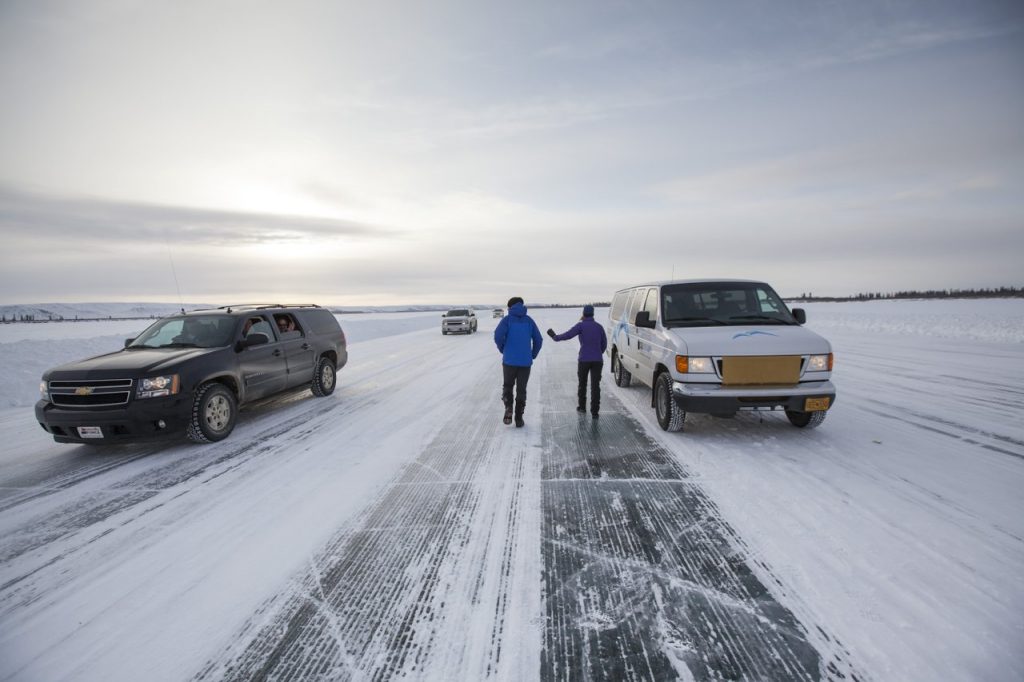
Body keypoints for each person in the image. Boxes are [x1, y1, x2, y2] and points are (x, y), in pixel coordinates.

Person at [546, 304, 607, 418]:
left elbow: (568, 335)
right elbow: (604, 344)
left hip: (584, 360)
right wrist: (597, 353)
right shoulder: (599, 327)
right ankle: (595, 412)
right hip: (597, 360)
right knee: (595, 386)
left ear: (583, 313)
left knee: (582, 383)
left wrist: (555, 337)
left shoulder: (581, 326)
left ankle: (582, 407)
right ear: (593, 314)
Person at [493, 296, 543, 427]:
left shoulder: (507, 320)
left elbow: (498, 336)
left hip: (509, 361)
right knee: (522, 389)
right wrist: (532, 354)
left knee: (508, 386)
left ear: (510, 307)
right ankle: (519, 418)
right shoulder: (529, 321)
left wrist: (503, 348)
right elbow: (539, 340)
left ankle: (508, 407)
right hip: (525, 362)